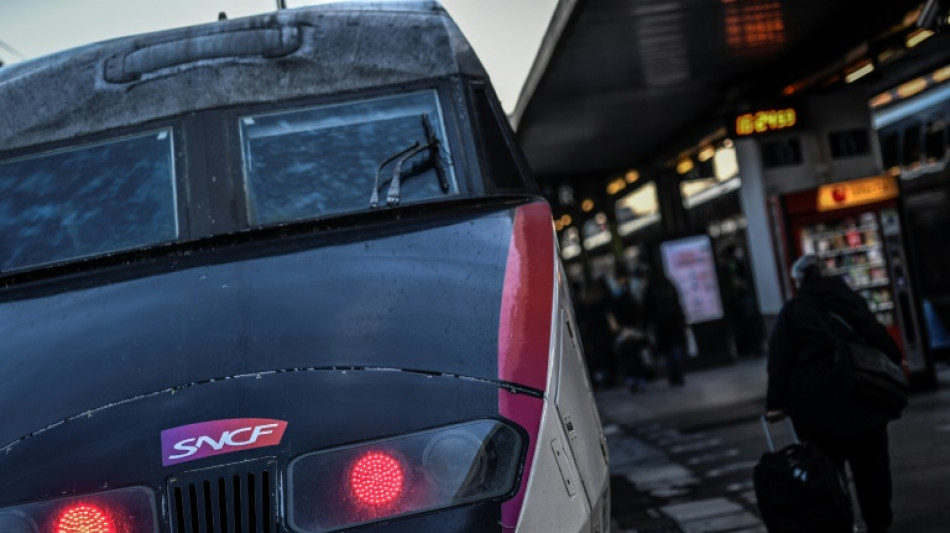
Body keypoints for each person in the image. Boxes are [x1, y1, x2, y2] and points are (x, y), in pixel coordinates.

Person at [766, 255, 903, 533]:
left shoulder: (794, 311)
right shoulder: (849, 300)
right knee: (872, 465)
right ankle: (878, 522)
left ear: (800, 281)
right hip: (864, 395)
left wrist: (776, 404)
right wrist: (895, 361)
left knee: (827, 469)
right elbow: (878, 336)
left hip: (817, 405)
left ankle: (840, 521)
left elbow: (781, 361)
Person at [643, 266, 687, 386]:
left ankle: (673, 374)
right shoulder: (669, 284)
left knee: (667, 351)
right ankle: (679, 374)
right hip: (675, 322)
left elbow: (647, 309)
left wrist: (646, 324)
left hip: (662, 324)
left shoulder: (651, 288)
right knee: (676, 348)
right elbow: (678, 302)